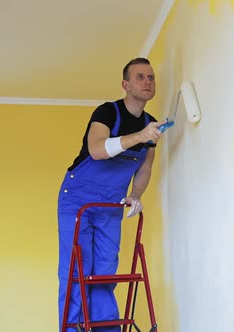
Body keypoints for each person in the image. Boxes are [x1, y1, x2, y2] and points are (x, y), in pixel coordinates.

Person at [57, 57, 165, 332]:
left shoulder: (151, 125)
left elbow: (145, 168)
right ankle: (72, 328)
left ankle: (106, 329)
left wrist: (136, 194)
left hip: (110, 204)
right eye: (140, 77)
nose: (147, 82)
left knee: (104, 272)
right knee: (76, 269)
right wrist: (140, 136)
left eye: (151, 77)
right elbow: (97, 150)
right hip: (78, 198)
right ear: (125, 84)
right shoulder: (107, 112)